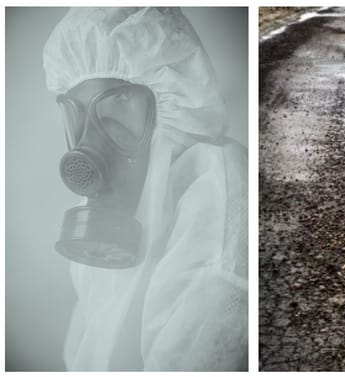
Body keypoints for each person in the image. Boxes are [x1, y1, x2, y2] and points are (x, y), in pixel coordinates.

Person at [42, 7, 247, 371]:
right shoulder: (130, 213)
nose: (90, 142)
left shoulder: (220, 205)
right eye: (77, 111)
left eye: (119, 102)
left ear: (173, 101)